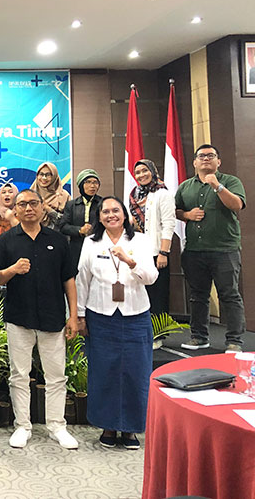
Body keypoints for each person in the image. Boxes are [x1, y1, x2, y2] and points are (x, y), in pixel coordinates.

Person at [0, 188, 80, 450]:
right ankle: (22, 426)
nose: (28, 208)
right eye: (22, 205)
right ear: (15, 211)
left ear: (42, 208)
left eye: (33, 203)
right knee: (19, 375)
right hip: (19, 316)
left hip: (53, 316)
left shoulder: (58, 240)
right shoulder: (6, 240)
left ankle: (57, 426)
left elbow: (69, 280)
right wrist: (12, 270)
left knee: (56, 376)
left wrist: (73, 316)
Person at [76, 196, 159, 450]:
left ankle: (131, 429)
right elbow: (82, 279)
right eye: (105, 212)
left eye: (116, 210)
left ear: (124, 214)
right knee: (104, 371)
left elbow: (151, 277)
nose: (111, 215)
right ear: (99, 217)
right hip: (100, 315)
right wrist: (80, 315)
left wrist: (130, 262)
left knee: (136, 371)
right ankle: (108, 426)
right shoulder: (91, 242)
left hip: (135, 315)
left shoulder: (140, 241)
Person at [175, 144, 246, 352]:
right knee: (198, 295)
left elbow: (237, 205)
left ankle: (234, 340)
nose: (206, 158)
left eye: (211, 155)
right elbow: (176, 210)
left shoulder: (230, 181)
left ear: (218, 161)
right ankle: (199, 337)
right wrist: (187, 215)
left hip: (225, 250)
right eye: (201, 156)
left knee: (229, 295)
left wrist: (218, 186)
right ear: (194, 162)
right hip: (194, 250)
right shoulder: (185, 186)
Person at [129, 160, 175, 319]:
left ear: (153, 171)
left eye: (145, 170)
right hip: (140, 253)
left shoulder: (163, 193)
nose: (141, 175)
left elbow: (168, 225)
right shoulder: (134, 194)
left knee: (158, 295)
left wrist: (163, 252)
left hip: (157, 252)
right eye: (138, 172)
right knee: (142, 295)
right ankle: (144, 329)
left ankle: (159, 331)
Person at [58, 169, 102, 274]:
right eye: (88, 182)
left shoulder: (103, 202)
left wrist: (94, 230)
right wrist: (79, 230)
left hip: (98, 245)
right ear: (81, 185)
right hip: (76, 248)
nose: (92, 186)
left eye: (95, 182)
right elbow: (63, 226)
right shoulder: (71, 204)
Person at [32, 162, 70, 229]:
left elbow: (67, 221)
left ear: (54, 176)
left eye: (48, 175)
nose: (44, 178)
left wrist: (48, 209)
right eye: (41, 174)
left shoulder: (64, 195)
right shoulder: (30, 195)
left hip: (57, 234)